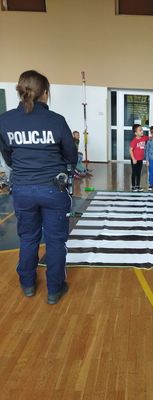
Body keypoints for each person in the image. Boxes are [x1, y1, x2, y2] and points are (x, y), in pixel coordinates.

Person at [0, 70, 78, 305]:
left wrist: (25, 171)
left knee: (28, 238)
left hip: (23, 189)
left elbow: (8, 156)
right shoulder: (55, 120)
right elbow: (71, 155)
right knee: (55, 240)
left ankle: (28, 285)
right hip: (53, 189)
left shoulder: (5, 120)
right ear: (45, 93)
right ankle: (54, 289)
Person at [129, 124, 149, 192]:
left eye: (142, 130)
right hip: (134, 160)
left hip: (140, 159)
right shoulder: (134, 141)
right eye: (140, 130)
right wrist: (133, 159)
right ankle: (133, 186)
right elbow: (130, 150)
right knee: (134, 173)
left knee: (139, 173)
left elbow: (150, 138)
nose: (142, 131)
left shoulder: (144, 137)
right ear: (136, 133)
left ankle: (138, 186)